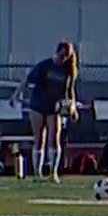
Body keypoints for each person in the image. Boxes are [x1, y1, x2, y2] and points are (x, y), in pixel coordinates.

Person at [12, 41, 79, 182]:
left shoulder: (68, 71)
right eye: (62, 55)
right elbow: (27, 81)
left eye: (66, 56)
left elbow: (69, 90)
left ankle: (53, 173)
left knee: (54, 139)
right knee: (39, 138)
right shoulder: (44, 66)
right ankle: (38, 173)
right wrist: (17, 94)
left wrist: (72, 107)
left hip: (54, 107)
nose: (63, 58)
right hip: (38, 104)